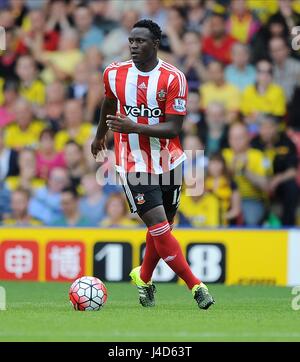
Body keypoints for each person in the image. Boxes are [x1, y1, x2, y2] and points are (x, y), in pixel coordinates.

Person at [91, 19, 215, 310]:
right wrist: (100, 137)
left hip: (169, 159)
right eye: (131, 41)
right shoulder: (114, 73)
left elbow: (173, 127)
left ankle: (143, 276)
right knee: (160, 228)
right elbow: (109, 103)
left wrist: (133, 126)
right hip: (132, 162)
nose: (134, 46)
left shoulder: (173, 78)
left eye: (141, 41)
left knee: (164, 226)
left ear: (155, 44)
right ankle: (196, 286)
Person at [251, 115, 299, 226]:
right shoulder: (254, 143)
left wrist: (277, 179)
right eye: (263, 127)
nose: (266, 131)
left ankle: (288, 225)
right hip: (259, 182)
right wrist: (262, 181)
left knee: (292, 188)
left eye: (269, 127)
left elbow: (293, 170)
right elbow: (249, 167)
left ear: (276, 128)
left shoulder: (286, 142)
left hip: (280, 182)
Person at [222, 122, 268, 226]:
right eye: (233, 138)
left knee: (251, 221)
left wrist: (245, 171)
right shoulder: (224, 155)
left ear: (248, 137)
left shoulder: (258, 156)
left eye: (240, 138)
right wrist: (231, 169)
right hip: (225, 198)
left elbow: (266, 186)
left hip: (250, 199)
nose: (236, 141)